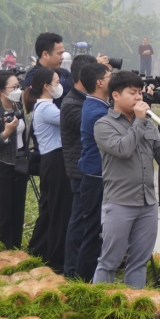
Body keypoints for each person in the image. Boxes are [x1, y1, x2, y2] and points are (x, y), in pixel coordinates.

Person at [92, 71, 160, 288]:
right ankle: (100, 307)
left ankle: (133, 308)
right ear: (115, 95)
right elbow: (122, 149)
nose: (139, 98)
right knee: (109, 261)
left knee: (139, 262)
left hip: (147, 202)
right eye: (132, 93)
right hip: (119, 202)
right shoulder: (104, 125)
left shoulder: (149, 124)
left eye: (140, 93)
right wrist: (139, 122)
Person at [26, 66, 73, 270]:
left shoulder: (44, 106)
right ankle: (56, 259)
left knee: (50, 209)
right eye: (56, 82)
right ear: (46, 86)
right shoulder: (46, 108)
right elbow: (71, 122)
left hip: (50, 161)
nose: (60, 86)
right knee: (59, 211)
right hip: (55, 162)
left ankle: (40, 250)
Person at [68, 62, 111, 281]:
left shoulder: (98, 104)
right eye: (109, 75)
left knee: (95, 229)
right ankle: (83, 280)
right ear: (100, 82)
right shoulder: (96, 111)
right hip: (95, 177)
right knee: (93, 231)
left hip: (96, 174)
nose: (113, 79)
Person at [0, 71, 29, 249]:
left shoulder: (17, 107)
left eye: (19, 86)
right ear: (2, 91)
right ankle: (3, 252)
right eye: (14, 87)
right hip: (0, 168)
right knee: (2, 214)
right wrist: (6, 133)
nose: (18, 90)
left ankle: (16, 249)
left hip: (19, 166)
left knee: (17, 211)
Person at [60, 55, 94, 277]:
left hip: (85, 170)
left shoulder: (84, 101)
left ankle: (83, 266)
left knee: (87, 221)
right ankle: (72, 270)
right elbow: (94, 126)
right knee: (79, 221)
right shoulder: (73, 103)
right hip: (80, 172)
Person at [23, 32, 72, 107]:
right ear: (45, 54)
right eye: (59, 53)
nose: (62, 57)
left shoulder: (64, 73)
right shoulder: (33, 75)